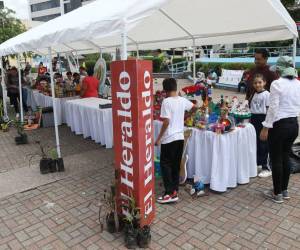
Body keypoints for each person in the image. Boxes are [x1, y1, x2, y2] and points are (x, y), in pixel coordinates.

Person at [260, 56, 300, 204]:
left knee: (276, 158)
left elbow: (273, 108)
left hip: (279, 126)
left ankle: (277, 193)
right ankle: (284, 190)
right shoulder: (298, 83)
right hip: (294, 125)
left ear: (280, 70)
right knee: (285, 157)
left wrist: (265, 128)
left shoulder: (277, 84)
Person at [155, 78, 195, 204]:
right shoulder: (182, 100)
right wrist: (186, 116)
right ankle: (174, 192)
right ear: (176, 87)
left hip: (169, 138)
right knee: (175, 165)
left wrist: (159, 138)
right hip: (180, 138)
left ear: (165, 90)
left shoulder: (166, 102)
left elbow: (166, 122)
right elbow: (194, 107)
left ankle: (168, 194)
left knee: (165, 165)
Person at [249, 74, 271, 178]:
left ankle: (266, 167)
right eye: (255, 83)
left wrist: (266, 125)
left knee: (264, 143)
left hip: (263, 119)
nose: (257, 84)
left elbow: (269, 111)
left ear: (264, 83)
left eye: (259, 82)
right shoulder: (254, 94)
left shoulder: (267, 94)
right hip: (254, 119)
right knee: (256, 142)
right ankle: (258, 163)